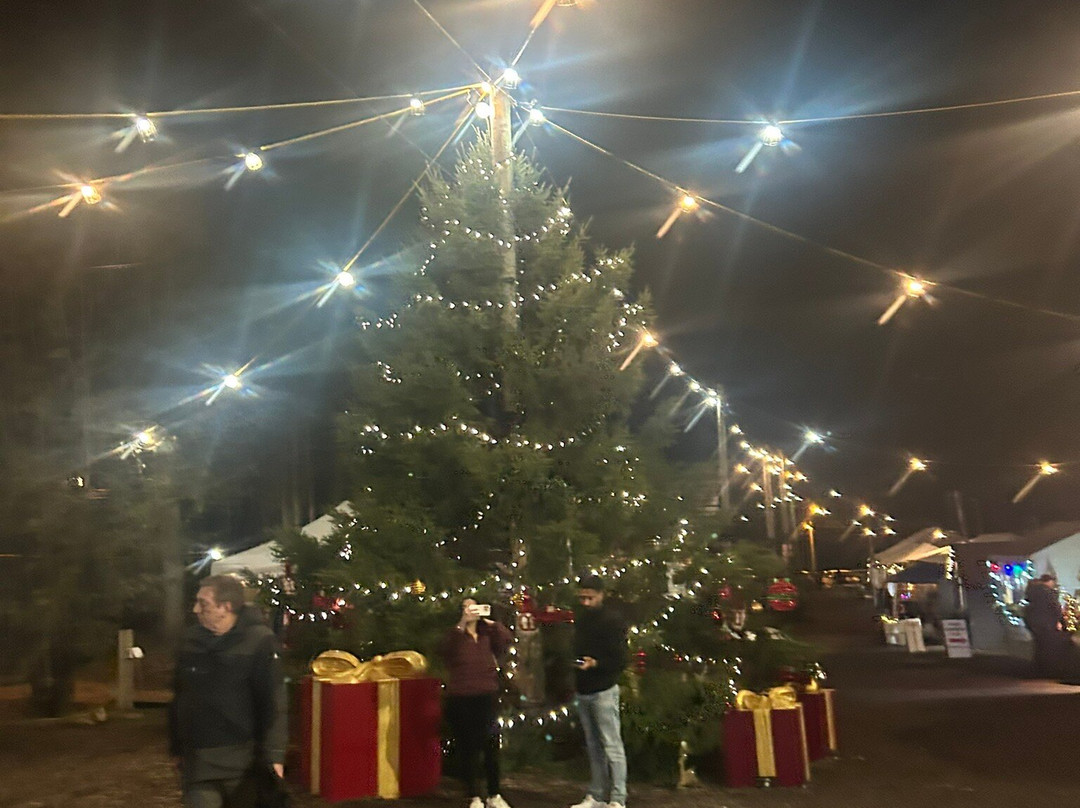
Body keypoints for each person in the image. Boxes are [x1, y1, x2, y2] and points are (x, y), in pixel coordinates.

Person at [169, 574, 288, 808]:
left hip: (244, 765)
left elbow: (274, 701)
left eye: (203, 603)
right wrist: (176, 745)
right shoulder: (191, 641)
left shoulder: (259, 642)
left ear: (226, 607)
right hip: (199, 763)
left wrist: (275, 756)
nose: (195, 609)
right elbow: (179, 697)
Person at [440, 598, 514, 808]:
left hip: (486, 696)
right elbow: (445, 650)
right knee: (468, 748)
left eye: (474, 606)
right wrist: (462, 623)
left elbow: (506, 640)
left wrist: (492, 623)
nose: (471, 610)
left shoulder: (486, 634)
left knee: (491, 746)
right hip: (461, 697)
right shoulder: (455, 635)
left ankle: (494, 794)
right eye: (466, 607)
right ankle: (473, 795)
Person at [570, 573, 628, 808]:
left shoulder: (613, 621)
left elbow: (621, 659)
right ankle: (596, 795)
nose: (586, 602)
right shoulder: (582, 619)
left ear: (601, 595)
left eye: (590, 598)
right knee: (593, 746)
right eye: (582, 598)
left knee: (612, 745)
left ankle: (617, 798)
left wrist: (597, 663)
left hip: (603, 689)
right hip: (583, 689)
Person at [1024, 574, 1071, 678]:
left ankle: (1037, 668)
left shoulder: (1032, 591)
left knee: (1039, 645)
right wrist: (1061, 622)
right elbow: (1056, 608)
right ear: (1049, 581)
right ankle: (1048, 670)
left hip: (1035, 623)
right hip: (1048, 623)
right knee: (1049, 647)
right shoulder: (1049, 593)